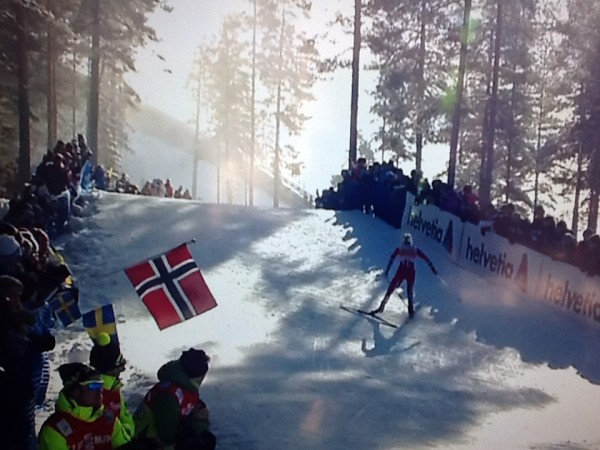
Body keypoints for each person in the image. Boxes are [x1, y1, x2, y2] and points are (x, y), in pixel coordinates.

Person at [133, 348, 215, 450]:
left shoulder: (184, 384)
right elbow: (168, 437)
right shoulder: (169, 396)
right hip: (146, 442)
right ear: (199, 376)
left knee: (207, 439)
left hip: (159, 438)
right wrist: (198, 422)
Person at [38, 362, 132, 450]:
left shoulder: (107, 419)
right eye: (93, 385)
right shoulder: (54, 430)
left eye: (100, 385)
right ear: (75, 392)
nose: (100, 390)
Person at [370, 233, 437, 317]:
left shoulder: (400, 248)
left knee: (392, 287)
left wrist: (387, 271)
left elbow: (392, 258)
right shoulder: (414, 249)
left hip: (402, 270)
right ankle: (410, 310)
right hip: (410, 271)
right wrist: (432, 268)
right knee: (409, 290)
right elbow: (426, 258)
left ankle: (382, 305)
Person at [89, 332, 135, 438]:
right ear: (109, 369)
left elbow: (125, 419)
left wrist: (126, 433)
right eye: (119, 364)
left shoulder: (113, 388)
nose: (123, 369)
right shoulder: (92, 395)